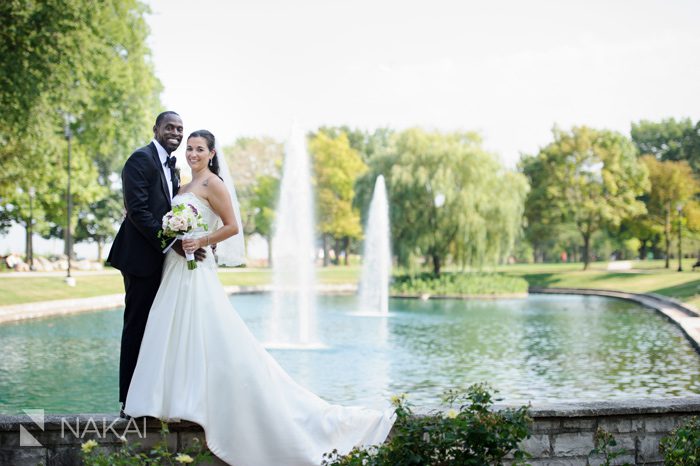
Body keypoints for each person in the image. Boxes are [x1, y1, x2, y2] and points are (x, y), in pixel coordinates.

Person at [124, 130, 395, 466]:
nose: (192, 154)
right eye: (189, 149)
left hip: (197, 270)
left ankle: (209, 401)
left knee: (211, 333)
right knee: (173, 331)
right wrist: (172, 234)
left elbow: (232, 226)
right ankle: (172, 402)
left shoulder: (213, 184)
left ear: (211, 153)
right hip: (175, 269)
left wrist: (202, 241)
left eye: (199, 149)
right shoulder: (181, 186)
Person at [107, 112, 206, 415]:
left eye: (180, 129)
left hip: (161, 261)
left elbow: (168, 212)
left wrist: (195, 238)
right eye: (170, 127)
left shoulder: (173, 167)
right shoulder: (141, 159)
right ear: (156, 129)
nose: (176, 133)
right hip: (139, 260)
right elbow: (137, 211)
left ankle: (151, 398)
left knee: (157, 330)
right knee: (136, 328)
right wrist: (172, 243)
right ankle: (128, 403)